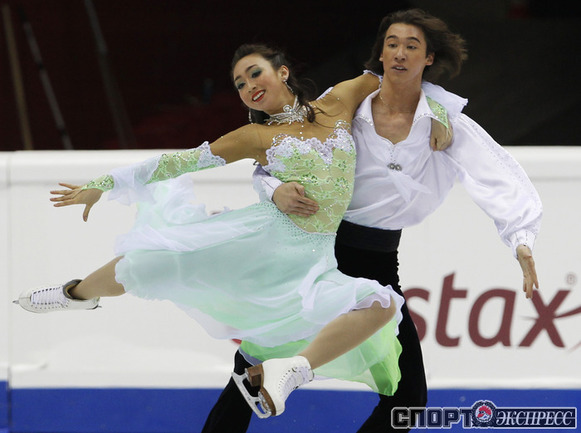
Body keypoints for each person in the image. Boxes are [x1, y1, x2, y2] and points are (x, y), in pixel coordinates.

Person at [14, 41, 453, 420]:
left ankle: (291, 370)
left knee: (380, 305)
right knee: (150, 261)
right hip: (260, 241)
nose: (248, 85)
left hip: (310, 260)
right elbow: (178, 162)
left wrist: (438, 113)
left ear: (283, 72)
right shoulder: (254, 137)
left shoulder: (339, 100)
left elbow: (399, 77)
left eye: (254, 73)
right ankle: (74, 294)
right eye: (240, 83)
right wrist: (103, 183)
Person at [203, 9, 542, 433]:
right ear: (380, 53)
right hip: (320, 248)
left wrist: (520, 238)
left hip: (378, 260)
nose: (399, 53)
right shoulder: (345, 105)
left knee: (408, 397)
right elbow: (276, 153)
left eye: (411, 46)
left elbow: (496, 174)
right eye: (391, 44)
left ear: (428, 58)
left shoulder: (444, 120)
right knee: (252, 367)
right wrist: (274, 189)